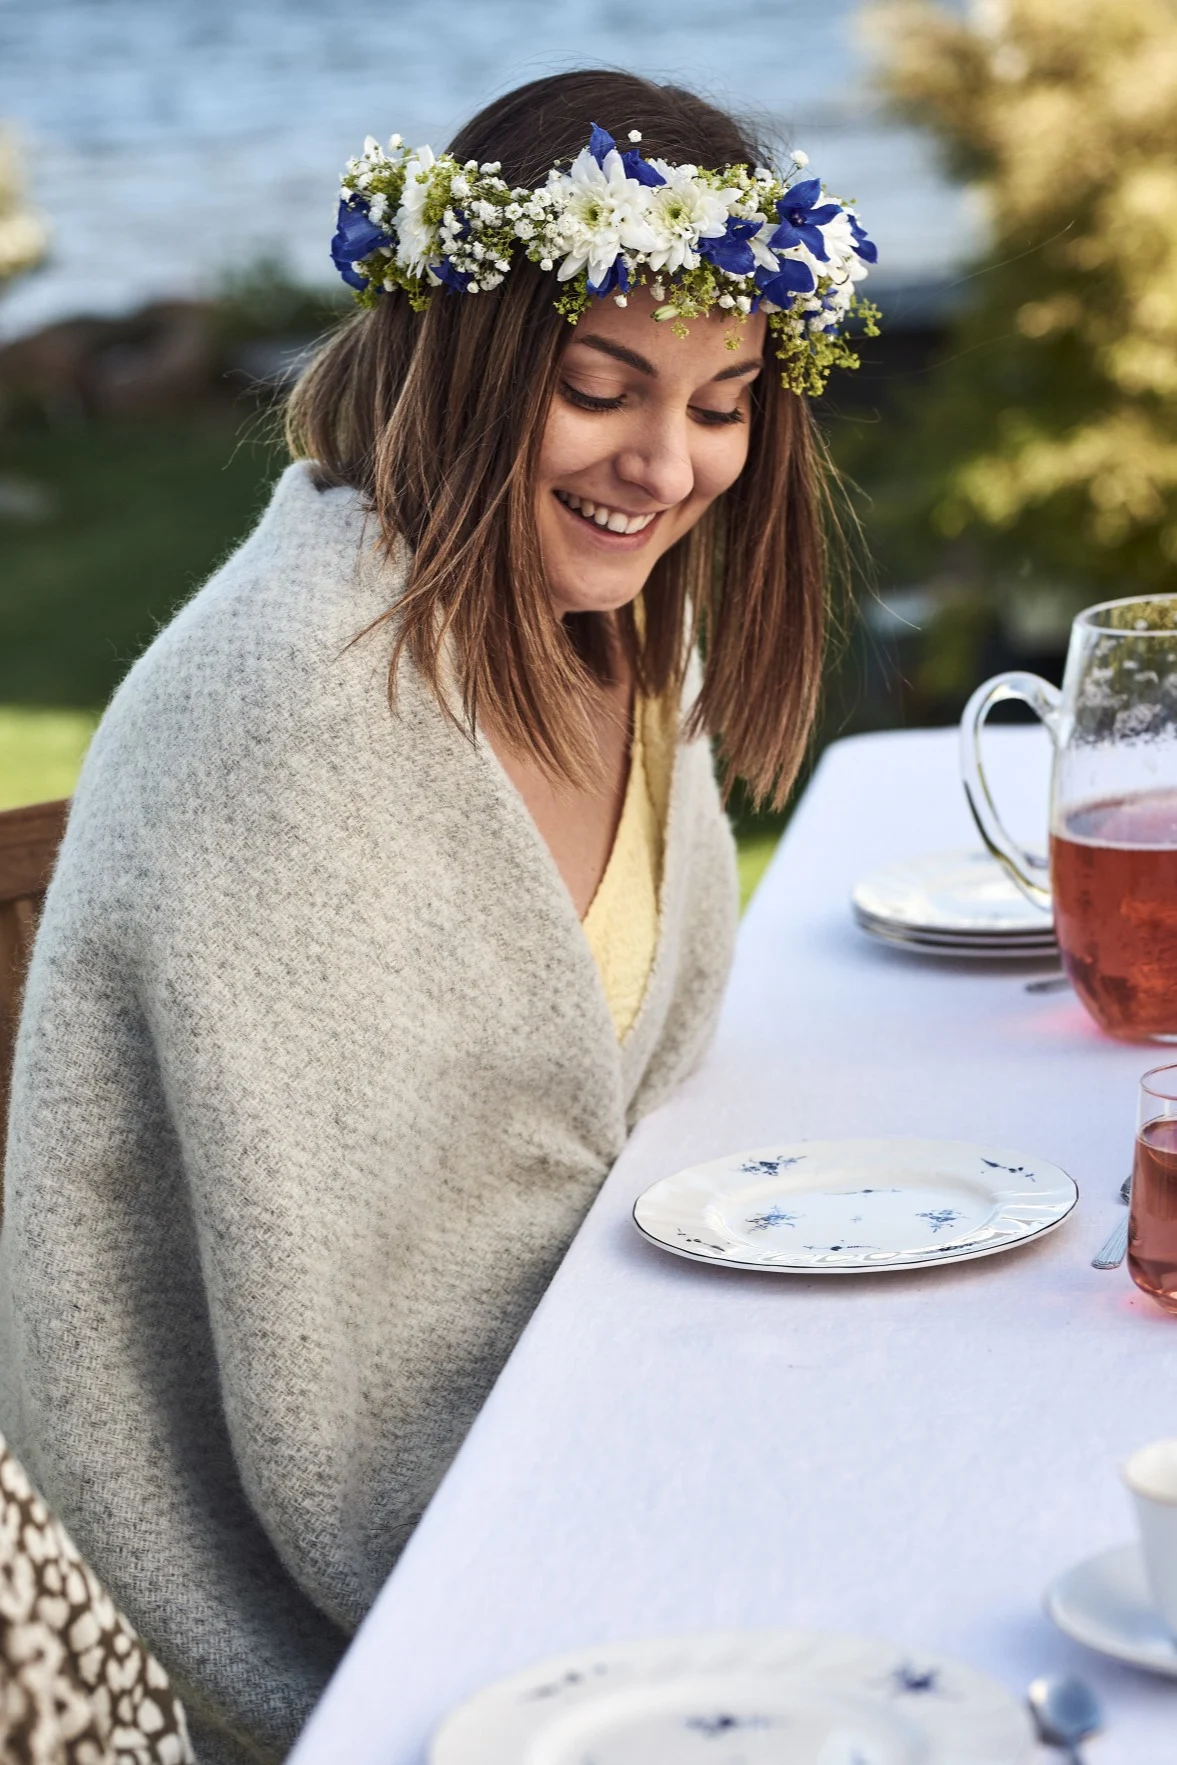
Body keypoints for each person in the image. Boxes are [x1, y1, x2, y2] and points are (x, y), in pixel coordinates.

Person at [0, 69, 875, 1765]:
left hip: (589, 1409)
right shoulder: (298, 721)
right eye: (600, 388)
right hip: (327, 1608)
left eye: (722, 402)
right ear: (468, 364)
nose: (666, 461)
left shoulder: (621, 644)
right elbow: (347, 1393)